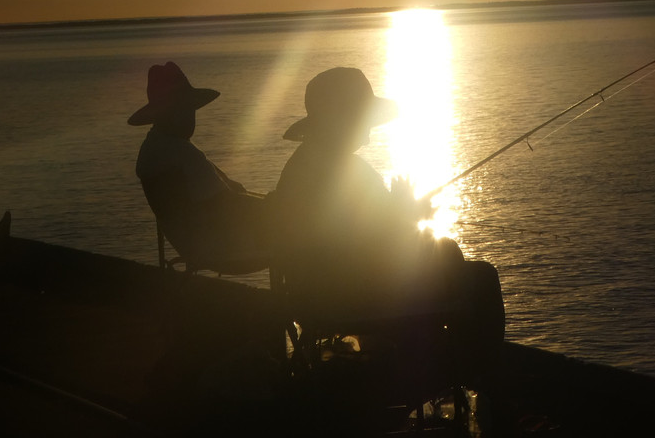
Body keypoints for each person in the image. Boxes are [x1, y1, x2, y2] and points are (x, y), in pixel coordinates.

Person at [270, 67, 504, 384]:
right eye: (364, 117)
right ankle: (479, 379)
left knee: (448, 256)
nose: (369, 129)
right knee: (480, 277)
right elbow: (375, 246)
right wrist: (407, 213)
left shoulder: (303, 164)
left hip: (314, 291)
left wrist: (404, 212)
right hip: (350, 293)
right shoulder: (345, 171)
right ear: (346, 119)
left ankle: (449, 369)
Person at [129, 61, 267, 273]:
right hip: (227, 249)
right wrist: (276, 206)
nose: (191, 118)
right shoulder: (183, 155)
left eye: (190, 110)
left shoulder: (152, 150)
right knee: (311, 229)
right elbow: (226, 205)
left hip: (191, 246)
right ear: (168, 114)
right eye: (185, 110)